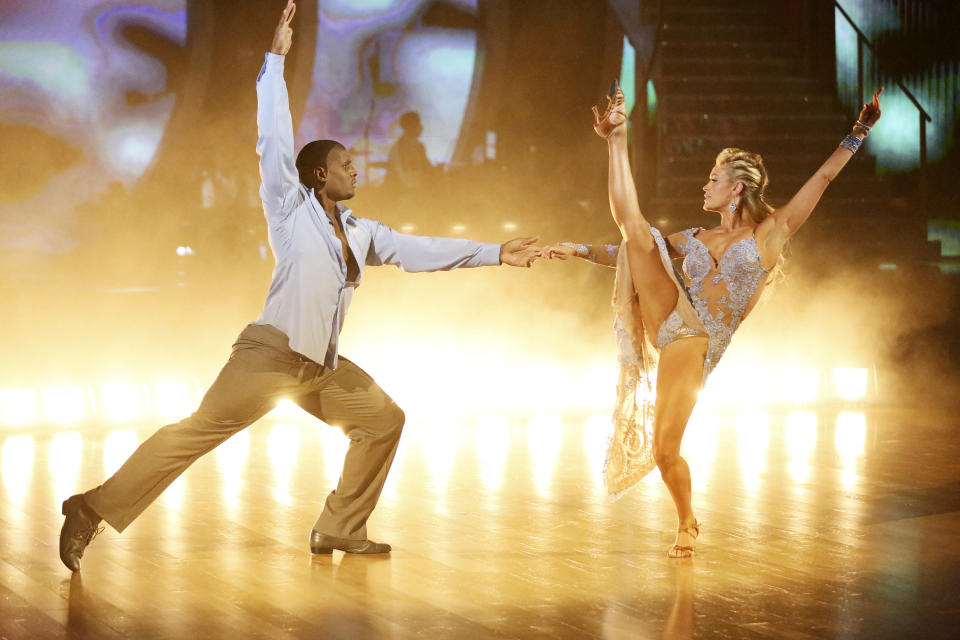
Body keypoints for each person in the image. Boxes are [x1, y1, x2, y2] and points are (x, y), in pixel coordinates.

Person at [58, 0, 542, 572]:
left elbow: (420, 250)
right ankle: (89, 508)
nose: (354, 169)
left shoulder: (362, 232)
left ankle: (339, 527)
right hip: (269, 356)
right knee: (193, 435)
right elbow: (272, 141)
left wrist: (495, 253)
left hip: (320, 367)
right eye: (345, 163)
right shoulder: (289, 209)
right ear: (319, 174)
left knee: (383, 421)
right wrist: (274, 63)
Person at [543, 83, 883, 557]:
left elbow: (822, 179)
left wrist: (859, 132)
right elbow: (630, 250)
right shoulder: (695, 235)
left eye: (713, 178)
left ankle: (687, 521)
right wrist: (578, 250)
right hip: (672, 322)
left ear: (736, 187)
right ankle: (617, 140)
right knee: (638, 235)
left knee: (664, 452)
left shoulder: (769, 234)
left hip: (699, 341)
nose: (705, 185)